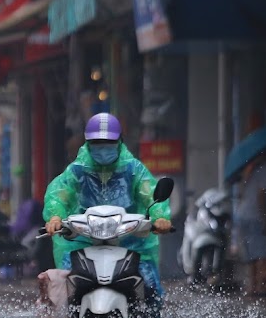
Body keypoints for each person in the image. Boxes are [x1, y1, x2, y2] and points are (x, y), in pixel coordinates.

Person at [43, 112, 173, 302]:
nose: (103, 149)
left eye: (109, 143)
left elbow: (150, 194)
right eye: (97, 144)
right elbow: (59, 194)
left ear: (119, 142)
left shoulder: (134, 170)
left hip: (131, 242)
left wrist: (160, 217)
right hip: (83, 242)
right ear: (88, 144)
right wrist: (55, 216)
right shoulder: (77, 171)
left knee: (149, 288)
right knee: (64, 289)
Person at [233, 144, 266, 296]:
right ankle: (261, 286)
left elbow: (242, 193)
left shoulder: (252, 169)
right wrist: (265, 217)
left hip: (242, 214)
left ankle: (252, 286)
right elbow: (261, 196)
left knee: (250, 254)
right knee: (262, 252)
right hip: (254, 215)